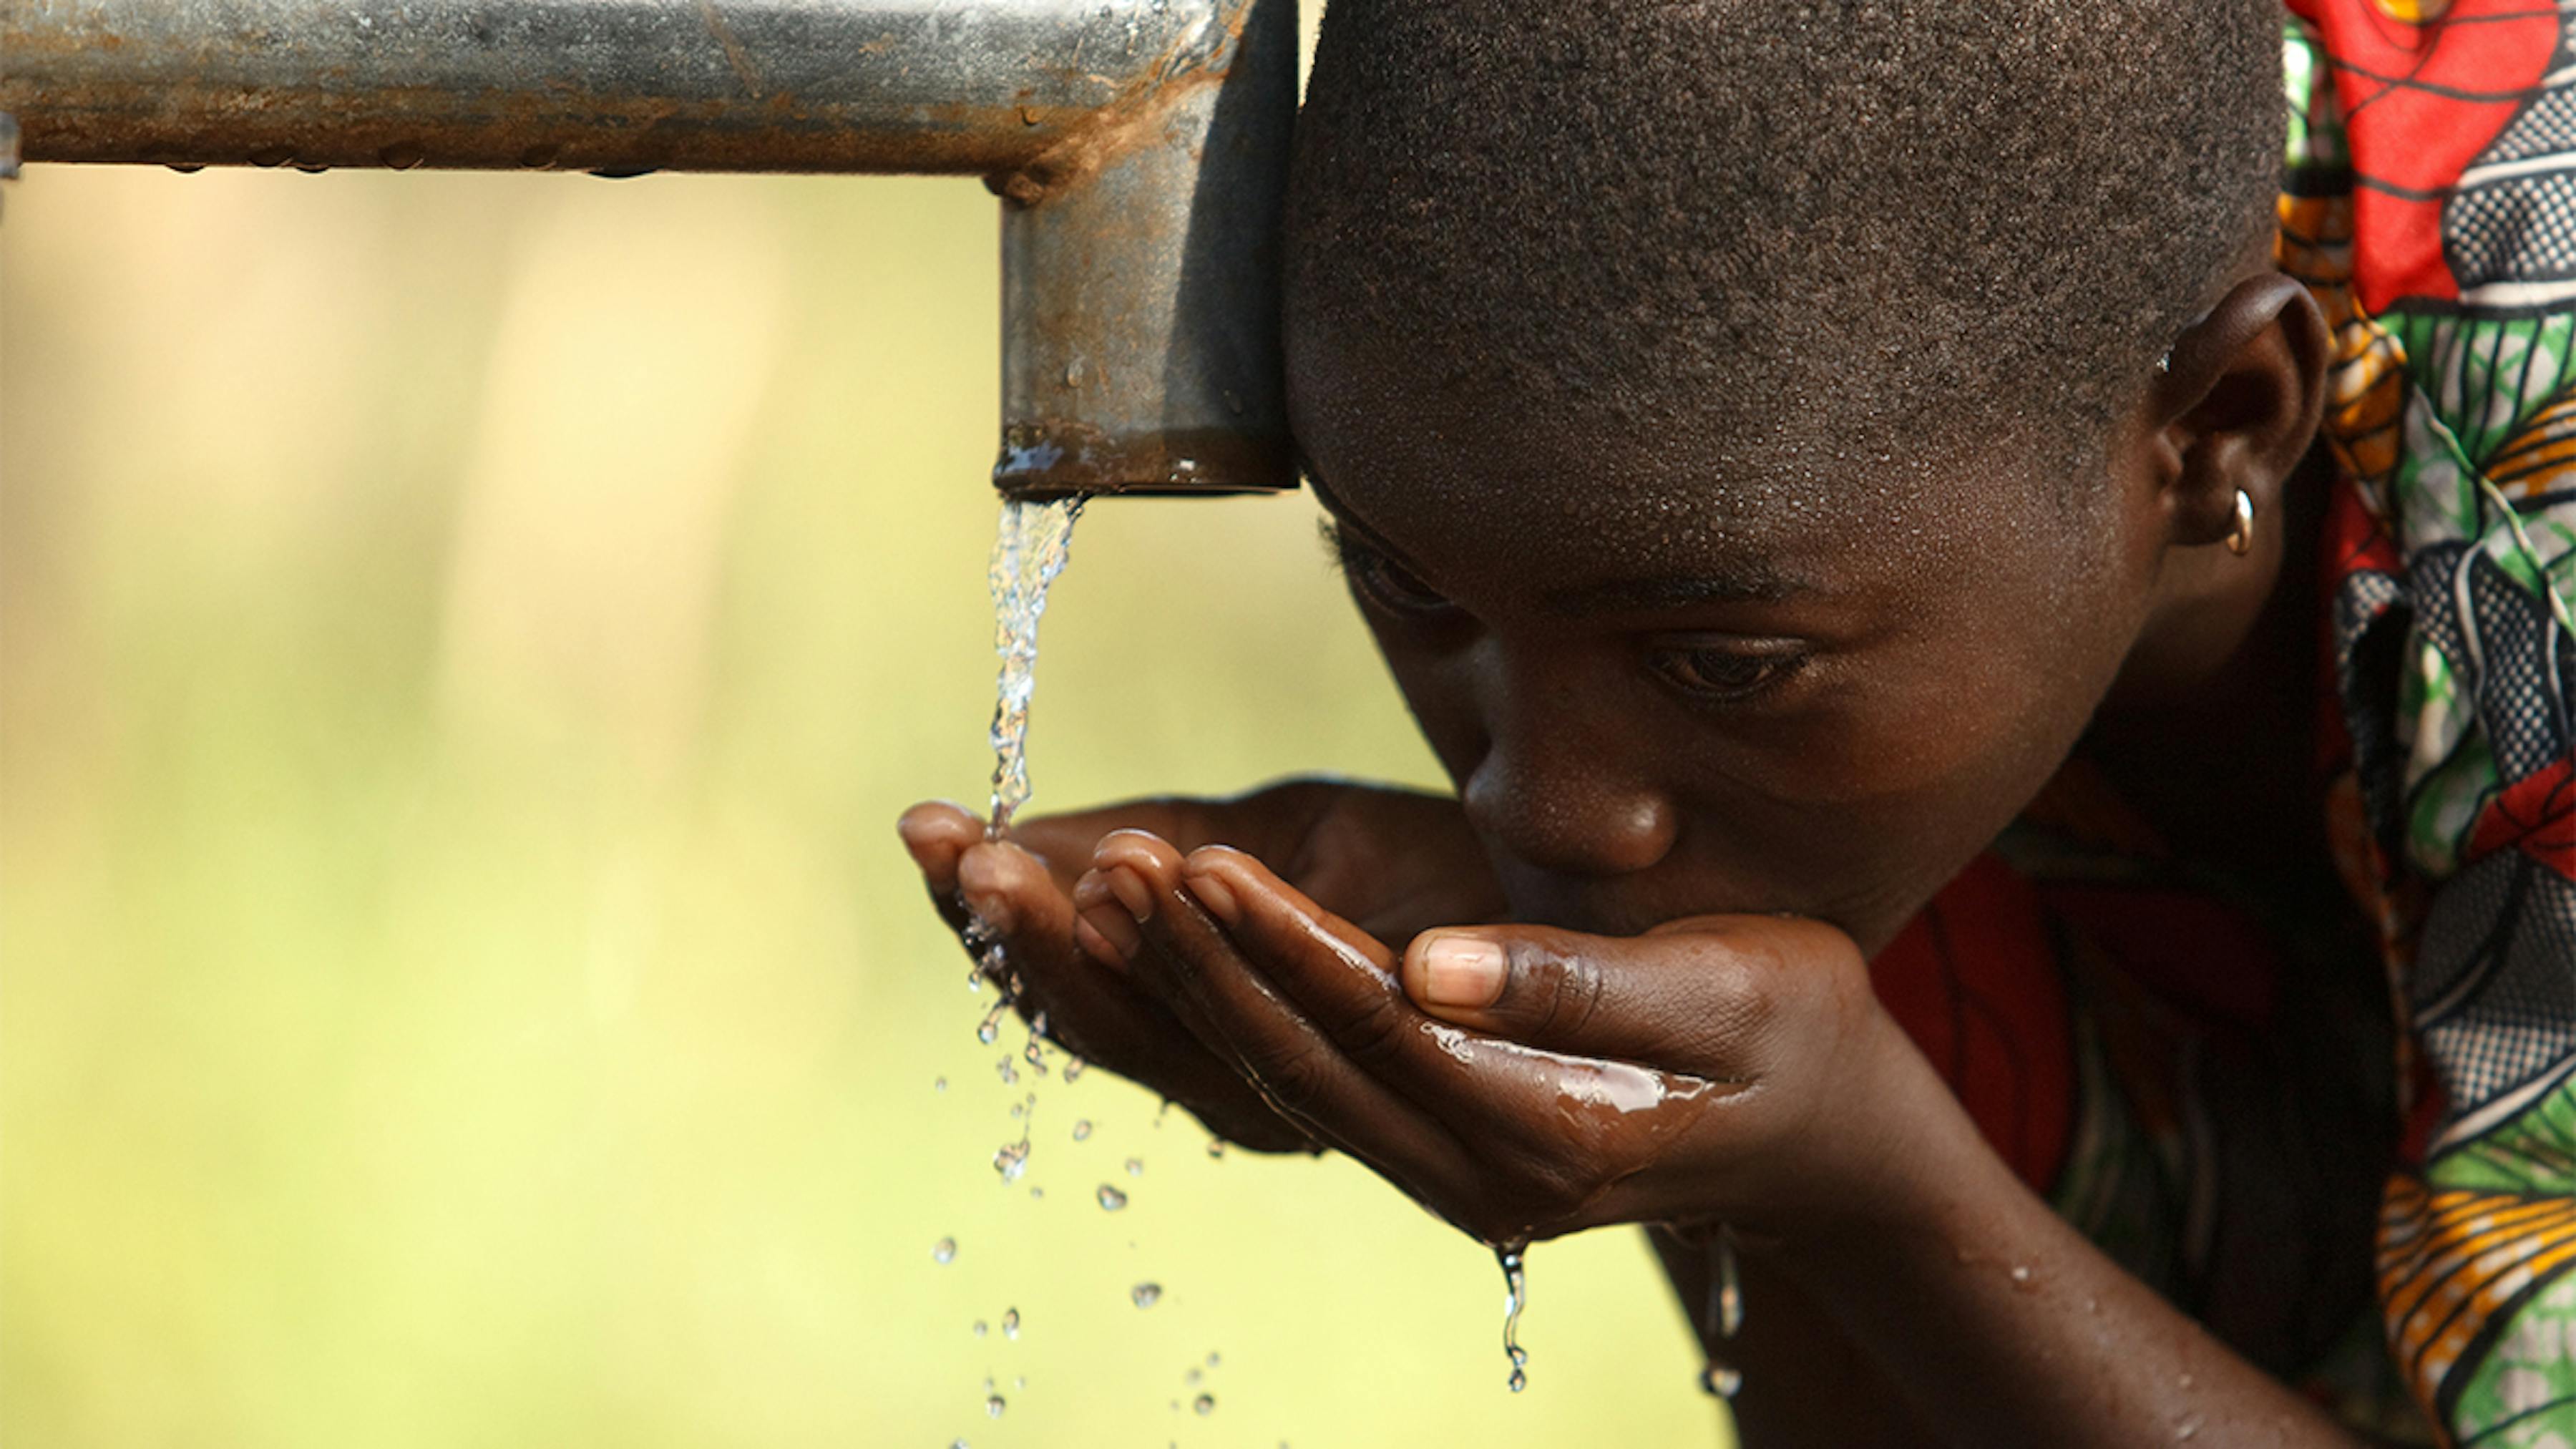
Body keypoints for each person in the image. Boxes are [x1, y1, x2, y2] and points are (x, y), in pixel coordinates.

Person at [901, 0, 2576, 1441]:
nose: (1536, 806)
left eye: (1724, 664)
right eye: (1412, 584)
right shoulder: (1936, 480)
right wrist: (1680, 1123)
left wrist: (1868, 1188)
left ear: (2216, 430)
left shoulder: (2529, 453)